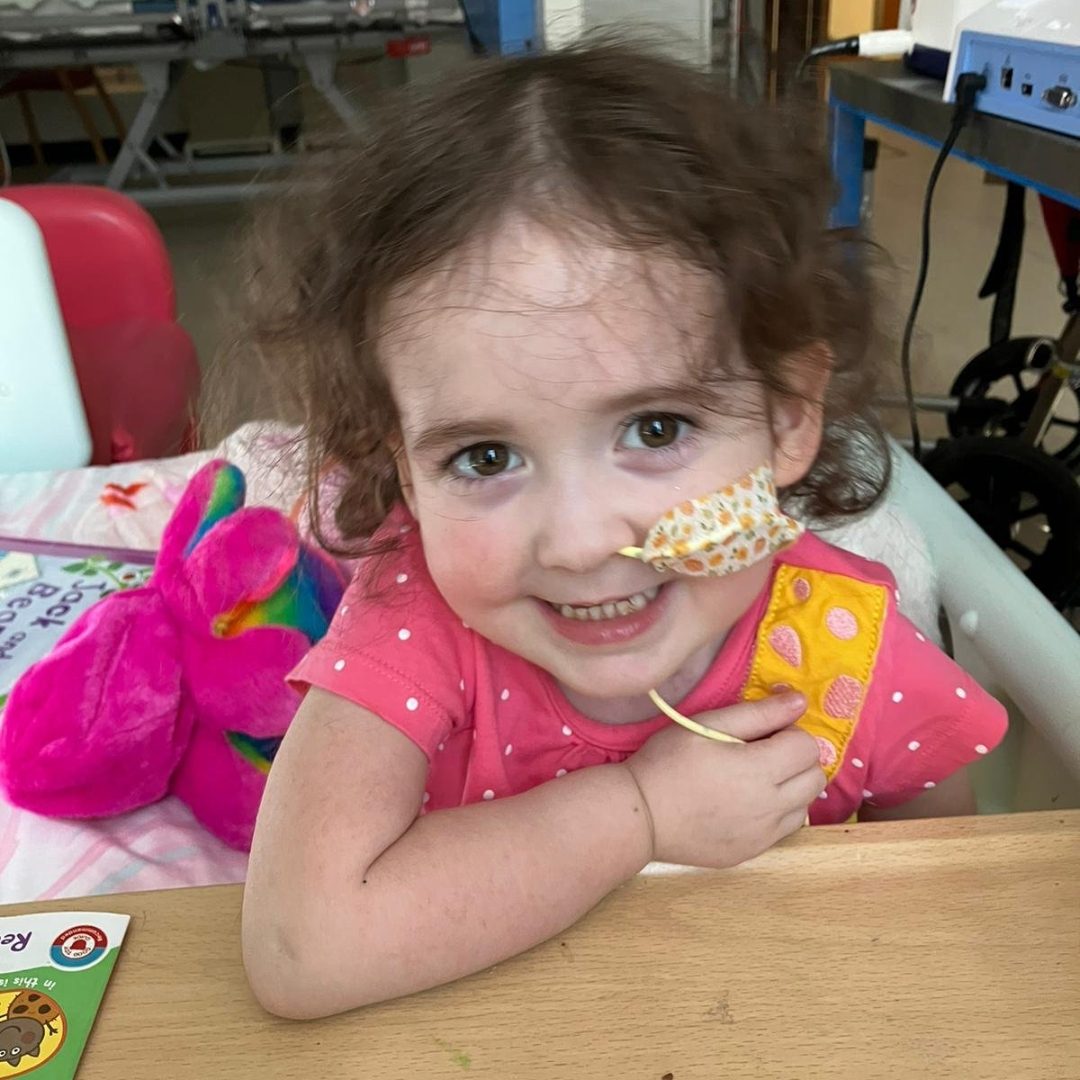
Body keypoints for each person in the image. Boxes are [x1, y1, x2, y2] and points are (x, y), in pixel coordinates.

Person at [236, 40, 1007, 1020]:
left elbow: (959, 891)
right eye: (482, 457)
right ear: (403, 466)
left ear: (787, 419)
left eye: (655, 429)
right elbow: (302, 949)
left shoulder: (837, 644)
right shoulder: (416, 625)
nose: (577, 541)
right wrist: (639, 815)